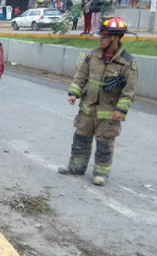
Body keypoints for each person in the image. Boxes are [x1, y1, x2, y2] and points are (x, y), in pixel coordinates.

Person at [58, 17, 138, 186]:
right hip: (87, 108)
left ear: (115, 39)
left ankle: (101, 174)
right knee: (80, 139)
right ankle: (76, 167)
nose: (100, 39)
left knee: (104, 143)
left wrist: (121, 110)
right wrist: (74, 92)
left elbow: (129, 91)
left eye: (103, 37)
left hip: (108, 113)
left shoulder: (127, 63)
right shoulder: (93, 55)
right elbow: (81, 76)